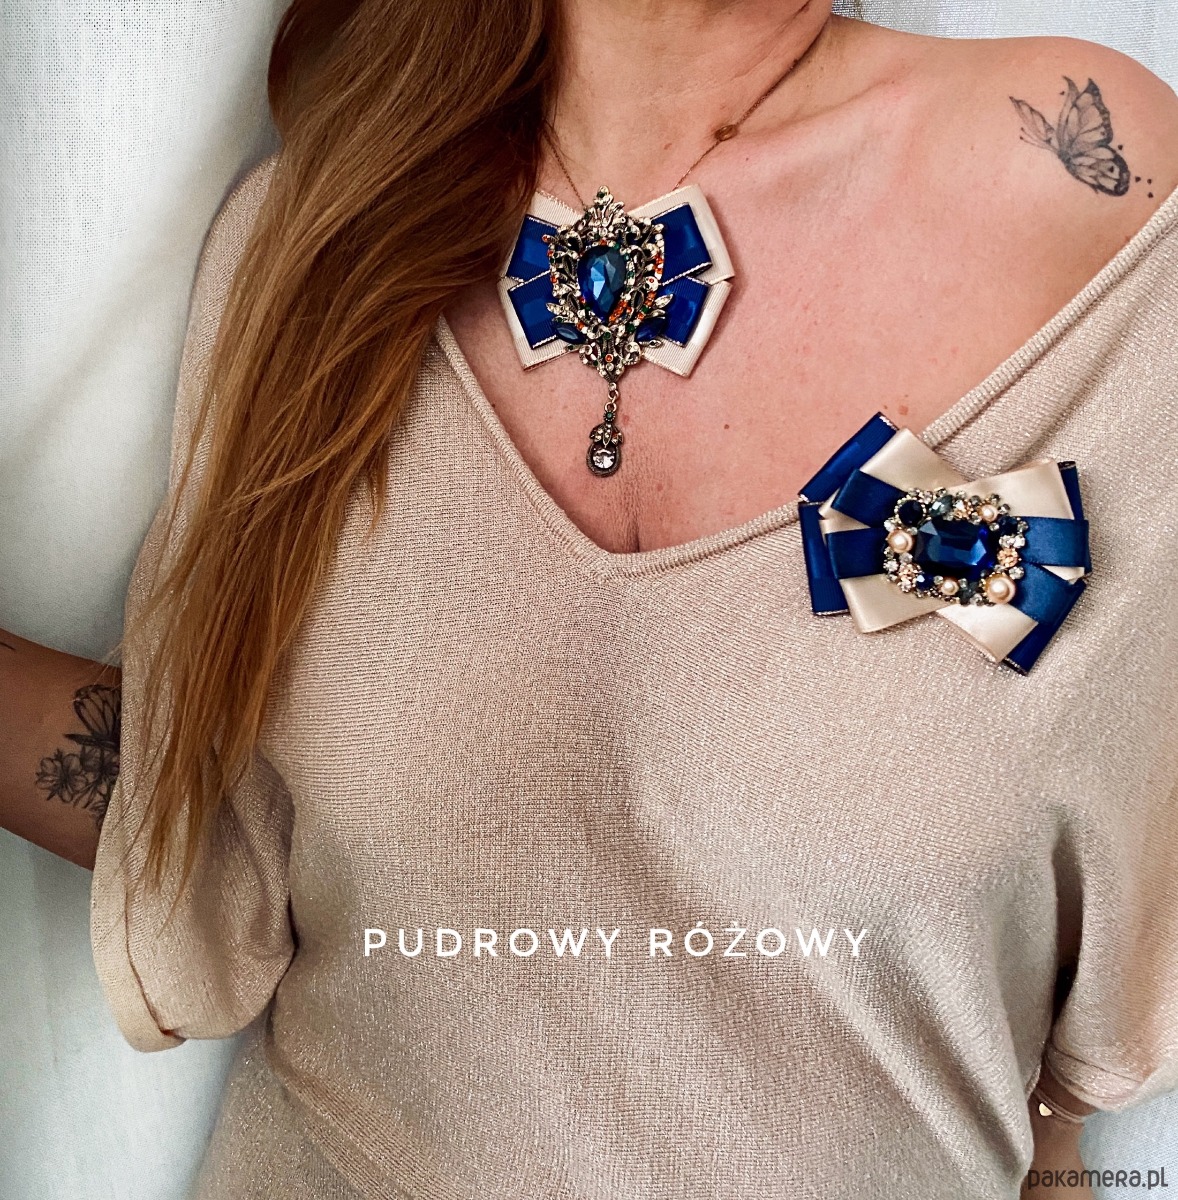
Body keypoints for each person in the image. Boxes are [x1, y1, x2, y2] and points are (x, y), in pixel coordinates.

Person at [3, 0, 1178, 1196]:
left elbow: (1126, 941)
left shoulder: (1083, 178)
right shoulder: (318, 242)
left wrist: (1057, 1130)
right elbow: (213, 830)